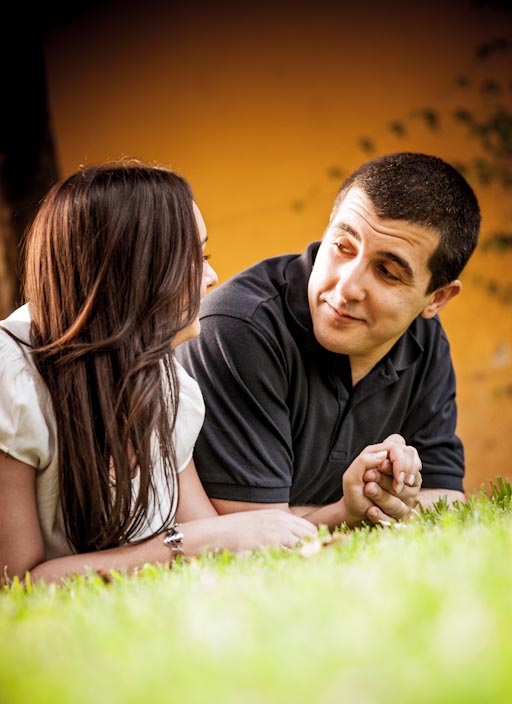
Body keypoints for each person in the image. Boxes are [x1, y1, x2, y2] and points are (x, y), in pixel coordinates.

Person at [0, 161, 318, 585]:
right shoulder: (13, 378)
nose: (212, 276)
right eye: (194, 258)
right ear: (133, 271)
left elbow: (213, 534)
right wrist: (179, 546)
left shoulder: (168, 385)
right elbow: (14, 582)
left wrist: (346, 510)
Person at [176, 152, 481, 528]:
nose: (347, 287)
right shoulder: (239, 327)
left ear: (436, 299)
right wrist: (361, 513)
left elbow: (445, 498)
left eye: (386, 272)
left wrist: (389, 492)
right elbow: (252, 535)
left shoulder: (422, 337)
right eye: (342, 247)